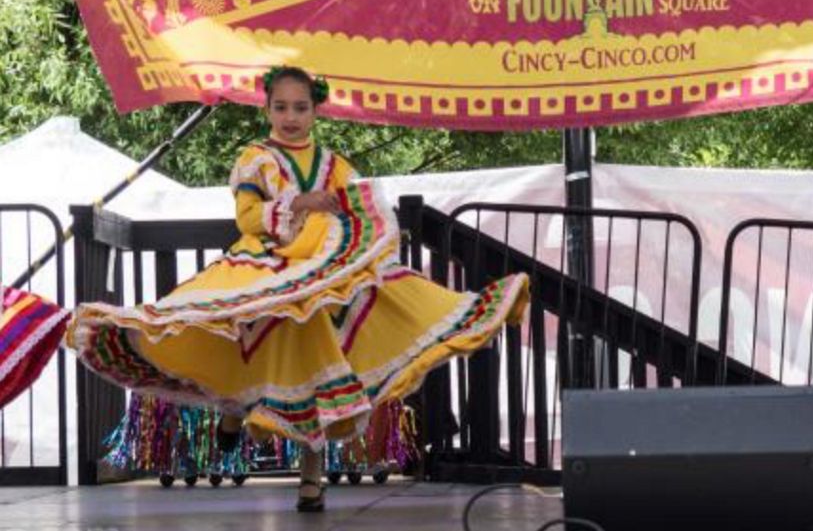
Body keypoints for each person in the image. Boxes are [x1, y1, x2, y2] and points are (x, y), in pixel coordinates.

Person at [67, 66, 529, 511]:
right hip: (266, 264)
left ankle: (311, 479)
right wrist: (301, 203)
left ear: (315, 111)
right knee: (234, 339)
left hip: (323, 273)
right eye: (281, 107)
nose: (291, 117)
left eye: (301, 107)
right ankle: (234, 411)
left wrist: (373, 236)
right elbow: (248, 218)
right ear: (267, 109)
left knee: (320, 359)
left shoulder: (335, 165)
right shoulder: (256, 159)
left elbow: (357, 212)